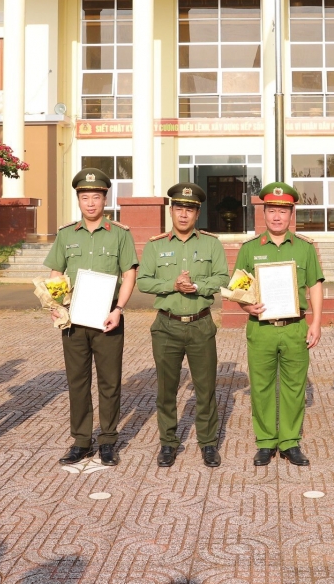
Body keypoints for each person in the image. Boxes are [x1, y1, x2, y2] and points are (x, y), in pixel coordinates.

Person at [44, 169, 138, 467]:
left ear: (105, 199)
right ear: (79, 200)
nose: (91, 203)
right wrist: (56, 303)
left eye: (96, 197)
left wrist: (119, 309)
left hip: (107, 316)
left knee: (109, 381)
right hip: (74, 318)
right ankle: (82, 440)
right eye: (85, 197)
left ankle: (108, 440)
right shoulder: (66, 234)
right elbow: (56, 273)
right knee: (78, 381)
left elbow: (129, 273)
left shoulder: (120, 234)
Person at [136, 182, 229, 468]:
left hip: (200, 325)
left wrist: (198, 285)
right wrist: (172, 285)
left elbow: (223, 277)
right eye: (179, 208)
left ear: (197, 212)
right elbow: (143, 281)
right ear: (171, 210)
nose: (184, 214)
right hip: (167, 326)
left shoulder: (211, 244)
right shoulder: (156, 245)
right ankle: (168, 442)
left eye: (190, 209)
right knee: (166, 389)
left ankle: (208, 443)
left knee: (205, 388)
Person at [231, 182, 324, 467]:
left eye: (283, 211)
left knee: (295, 387)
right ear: (264, 213)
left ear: (291, 213)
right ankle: (265, 442)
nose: (277, 216)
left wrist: (317, 322)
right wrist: (246, 305)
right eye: (271, 210)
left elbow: (315, 286)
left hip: (295, 326)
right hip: (261, 329)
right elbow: (238, 287)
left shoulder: (305, 248)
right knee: (261, 386)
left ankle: (290, 442)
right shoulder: (249, 249)